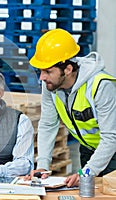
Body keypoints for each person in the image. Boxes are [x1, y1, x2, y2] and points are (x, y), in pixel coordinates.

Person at [28, 28, 116, 187]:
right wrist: (42, 165)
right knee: (88, 193)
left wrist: (87, 172)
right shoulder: (51, 85)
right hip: (89, 149)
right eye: (40, 71)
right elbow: (48, 124)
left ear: (67, 69)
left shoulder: (101, 86)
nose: (42, 77)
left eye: (47, 71)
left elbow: (111, 138)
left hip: (113, 149)